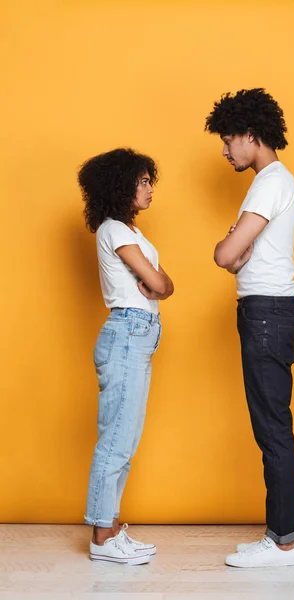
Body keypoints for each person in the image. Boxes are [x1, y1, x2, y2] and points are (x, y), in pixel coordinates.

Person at [205, 89, 294, 568]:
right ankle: (287, 535)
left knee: (271, 427)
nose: (225, 150)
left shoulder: (269, 182)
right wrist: (236, 250)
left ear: (251, 134)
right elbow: (237, 255)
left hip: (267, 310)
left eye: (229, 140)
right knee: (272, 424)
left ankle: (284, 543)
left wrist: (229, 247)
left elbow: (227, 255)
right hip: (268, 308)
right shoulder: (273, 181)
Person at [78, 147, 174, 564]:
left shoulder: (132, 233)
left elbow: (162, 285)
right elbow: (161, 283)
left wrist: (157, 285)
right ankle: (102, 537)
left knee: (126, 439)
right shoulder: (113, 229)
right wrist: (156, 285)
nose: (149, 188)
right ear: (121, 186)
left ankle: (112, 528)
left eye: (149, 180)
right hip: (128, 333)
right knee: (116, 439)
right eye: (142, 181)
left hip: (139, 334)